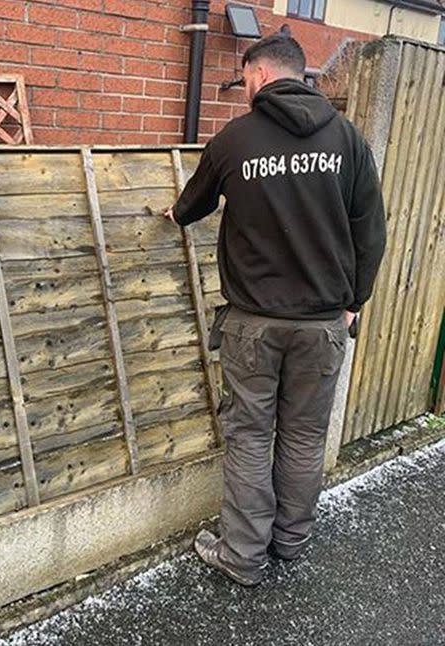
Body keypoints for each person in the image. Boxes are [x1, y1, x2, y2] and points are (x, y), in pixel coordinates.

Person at [165, 34, 386, 586]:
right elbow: (371, 233)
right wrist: (354, 302)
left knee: (250, 436)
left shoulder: (235, 139)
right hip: (323, 326)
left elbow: (191, 207)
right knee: (305, 435)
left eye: (243, 81)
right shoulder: (348, 139)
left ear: (258, 76)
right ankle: (291, 539)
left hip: (252, 327)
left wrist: (172, 214)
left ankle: (242, 555)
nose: (244, 91)